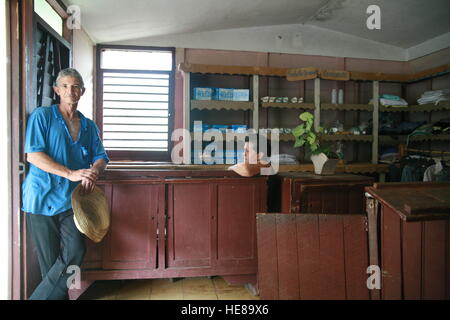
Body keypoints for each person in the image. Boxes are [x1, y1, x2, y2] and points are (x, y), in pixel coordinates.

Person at [21, 68, 109, 300]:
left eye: (76, 86)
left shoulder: (89, 126)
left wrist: (94, 171)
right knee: (50, 264)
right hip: (41, 198)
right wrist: (70, 173)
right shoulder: (43, 116)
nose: (71, 91)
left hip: (72, 201)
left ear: (82, 91)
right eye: (66, 86)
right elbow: (34, 155)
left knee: (76, 252)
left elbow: (101, 156)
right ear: (57, 90)